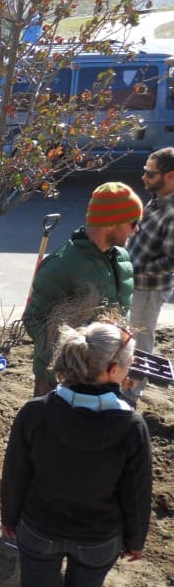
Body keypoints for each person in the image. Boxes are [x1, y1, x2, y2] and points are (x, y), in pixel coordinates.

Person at [0, 321, 152, 587]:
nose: (130, 370)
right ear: (112, 370)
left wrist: (10, 518)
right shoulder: (131, 425)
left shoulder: (35, 413)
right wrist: (135, 540)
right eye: (129, 364)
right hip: (99, 540)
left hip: (40, 529)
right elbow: (136, 492)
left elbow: (15, 475)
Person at [23, 182, 139, 396]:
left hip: (106, 377)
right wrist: (77, 354)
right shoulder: (63, 264)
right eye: (133, 222)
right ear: (113, 222)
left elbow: (123, 313)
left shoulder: (121, 258)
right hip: (61, 381)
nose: (137, 229)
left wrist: (122, 361)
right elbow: (33, 320)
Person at [126, 147, 174, 401]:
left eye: (150, 173)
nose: (143, 177)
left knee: (141, 338)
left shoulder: (172, 212)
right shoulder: (157, 199)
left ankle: (132, 392)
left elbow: (171, 261)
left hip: (150, 288)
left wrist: (137, 269)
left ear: (171, 176)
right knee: (128, 333)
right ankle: (124, 380)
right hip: (136, 282)